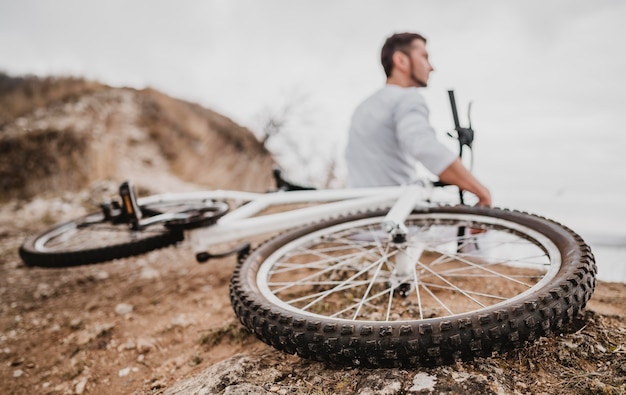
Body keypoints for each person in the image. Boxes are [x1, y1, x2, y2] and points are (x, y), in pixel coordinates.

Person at [345, 32, 492, 207]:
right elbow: (423, 145)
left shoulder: (363, 108)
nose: (431, 67)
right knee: (482, 230)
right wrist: (481, 191)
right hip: (397, 219)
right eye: (424, 57)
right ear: (401, 60)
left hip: (358, 218)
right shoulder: (407, 98)